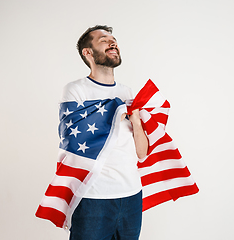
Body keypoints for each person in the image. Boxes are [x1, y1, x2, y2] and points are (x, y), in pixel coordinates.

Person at [64, 25, 148, 240]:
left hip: (131, 195)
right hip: (93, 196)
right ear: (88, 52)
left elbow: (141, 153)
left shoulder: (127, 92)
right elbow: (75, 141)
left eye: (114, 39)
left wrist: (136, 122)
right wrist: (114, 113)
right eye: (103, 39)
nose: (113, 43)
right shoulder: (76, 90)